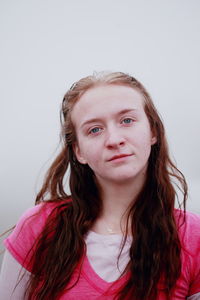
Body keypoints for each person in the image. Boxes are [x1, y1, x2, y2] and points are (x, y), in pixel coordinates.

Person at [0, 72, 199, 300]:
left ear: (153, 131)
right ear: (79, 151)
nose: (114, 140)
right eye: (94, 129)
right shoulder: (39, 226)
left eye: (127, 120)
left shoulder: (193, 235)